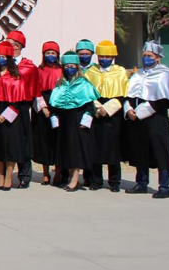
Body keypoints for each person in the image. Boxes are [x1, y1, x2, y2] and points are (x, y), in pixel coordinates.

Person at [124, 41, 169, 199]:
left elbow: (164, 99)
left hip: (155, 118)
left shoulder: (164, 73)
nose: (146, 58)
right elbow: (129, 94)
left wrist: (141, 112)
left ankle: (164, 186)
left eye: (150, 56)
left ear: (157, 58)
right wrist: (128, 109)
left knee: (160, 151)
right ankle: (141, 182)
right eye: (144, 56)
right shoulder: (138, 73)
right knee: (140, 150)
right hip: (136, 119)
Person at [0, 41, 33, 191]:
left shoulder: (16, 76)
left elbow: (19, 101)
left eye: (4, 57)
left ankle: (9, 176)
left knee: (11, 146)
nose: (1, 59)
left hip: (11, 114)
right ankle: (0, 176)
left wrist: (5, 116)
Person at [48, 51, 100, 192]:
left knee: (76, 150)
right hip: (64, 120)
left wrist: (85, 121)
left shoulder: (84, 84)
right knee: (66, 149)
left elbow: (90, 106)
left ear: (77, 67)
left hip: (77, 120)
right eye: (66, 66)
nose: (68, 68)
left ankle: (75, 179)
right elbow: (54, 104)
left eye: (71, 66)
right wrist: (54, 119)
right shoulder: (60, 83)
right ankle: (70, 176)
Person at [84, 40, 128, 191]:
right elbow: (88, 93)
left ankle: (114, 182)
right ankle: (96, 181)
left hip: (113, 113)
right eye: (101, 56)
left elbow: (123, 94)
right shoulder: (91, 72)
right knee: (95, 147)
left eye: (107, 56)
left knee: (113, 148)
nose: (104, 59)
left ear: (113, 57)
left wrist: (108, 109)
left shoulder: (120, 71)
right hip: (96, 111)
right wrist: (97, 108)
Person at [6, 30, 39, 189]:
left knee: (23, 140)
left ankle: (24, 175)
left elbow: (34, 89)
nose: (11, 48)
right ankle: (3, 175)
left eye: (13, 45)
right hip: (5, 106)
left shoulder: (29, 67)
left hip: (23, 107)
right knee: (7, 140)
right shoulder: (2, 65)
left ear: (19, 46)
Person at [33, 41, 64, 185]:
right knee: (43, 140)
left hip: (59, 106)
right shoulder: (38, 71)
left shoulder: (62, 70)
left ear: (57, 55)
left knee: (58, 141)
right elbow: (35, 91)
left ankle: (58, 171)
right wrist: (43, 108)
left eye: (53, 53)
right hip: (42, 107)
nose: (50, 56)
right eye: (47, 53)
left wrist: (56, 109)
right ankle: (45, 173)